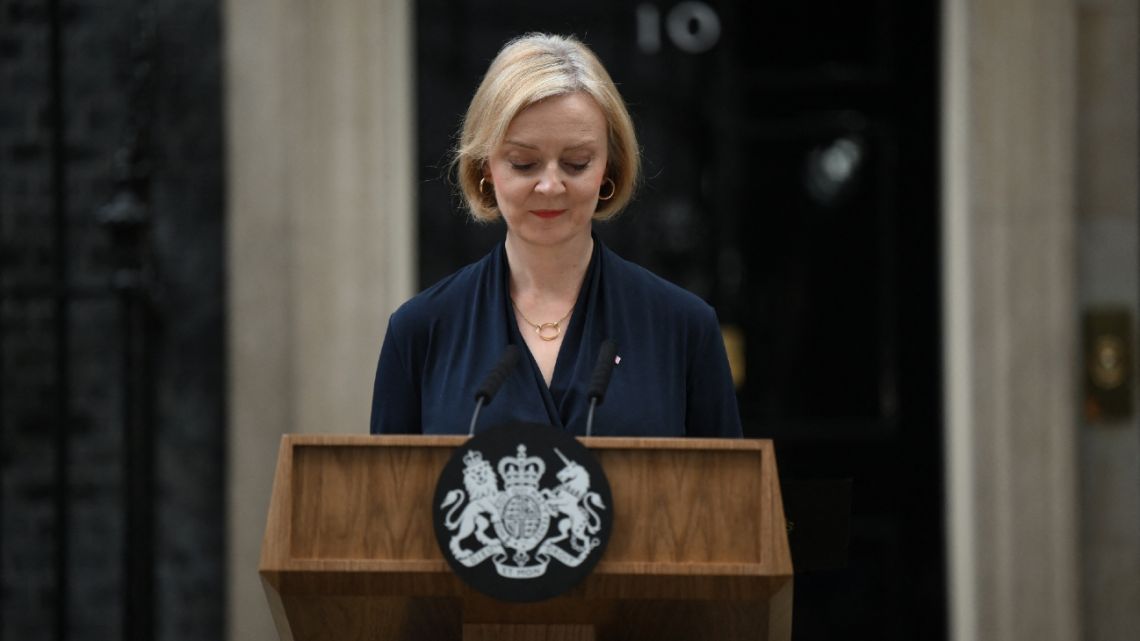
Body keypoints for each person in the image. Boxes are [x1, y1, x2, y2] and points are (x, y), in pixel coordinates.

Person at [370, 33, 741, 438]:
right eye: (524, 163)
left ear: (608, 170)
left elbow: (726, 495)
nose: (550, 186)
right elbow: (389, 493)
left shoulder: (684, 327)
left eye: (576, 163)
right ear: (486, 169)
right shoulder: (420, 330)